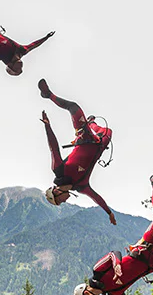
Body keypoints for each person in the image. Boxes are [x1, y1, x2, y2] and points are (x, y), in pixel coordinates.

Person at [37, 79, 114, 222]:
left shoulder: (59, 170)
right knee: (108, 131)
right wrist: (109, 212)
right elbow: (95, 197)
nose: (64, 202)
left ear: (56, 192)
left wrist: (47, 126)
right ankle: (91, 123)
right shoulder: (81, 186)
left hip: (84, 138)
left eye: (60, 201)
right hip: (99, 145)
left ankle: (48, 95)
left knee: (73, 107)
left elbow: (53, 148)